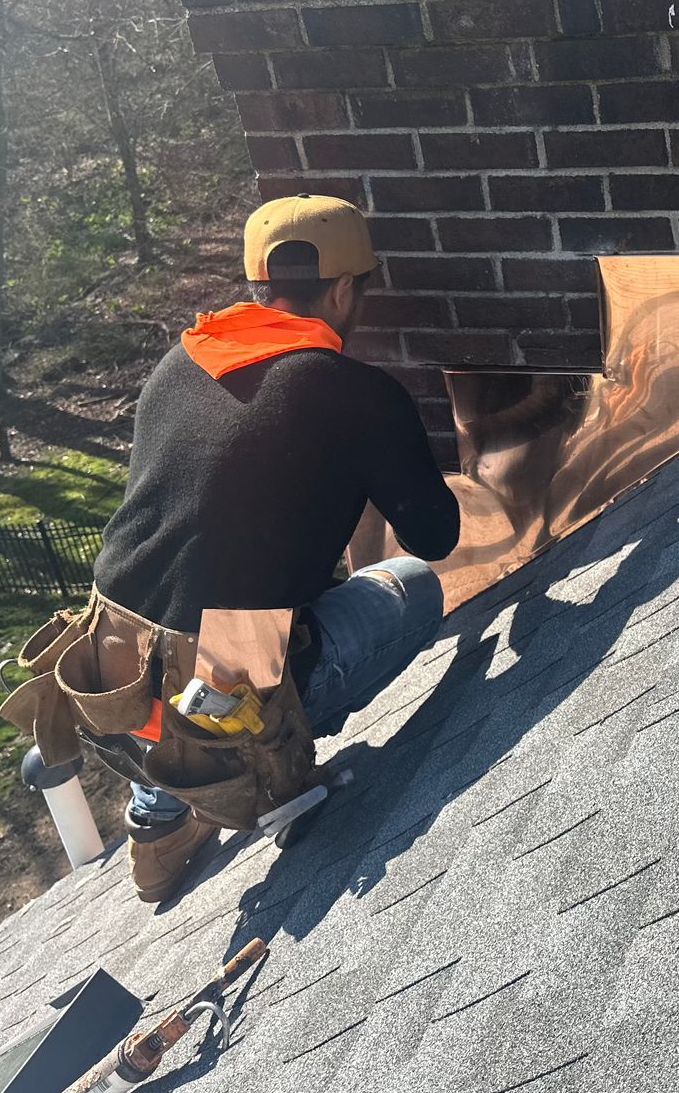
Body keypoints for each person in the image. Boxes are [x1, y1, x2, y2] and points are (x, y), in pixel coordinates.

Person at [89, 194, 459, 901]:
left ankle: (157, 818)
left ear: (261, 286)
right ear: (347, 288)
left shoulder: (182, 361)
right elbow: (436, 535)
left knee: (212, 616)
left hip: (113, 669)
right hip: (228, 688)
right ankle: (236, 772)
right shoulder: (353, 391)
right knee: (414, 587)